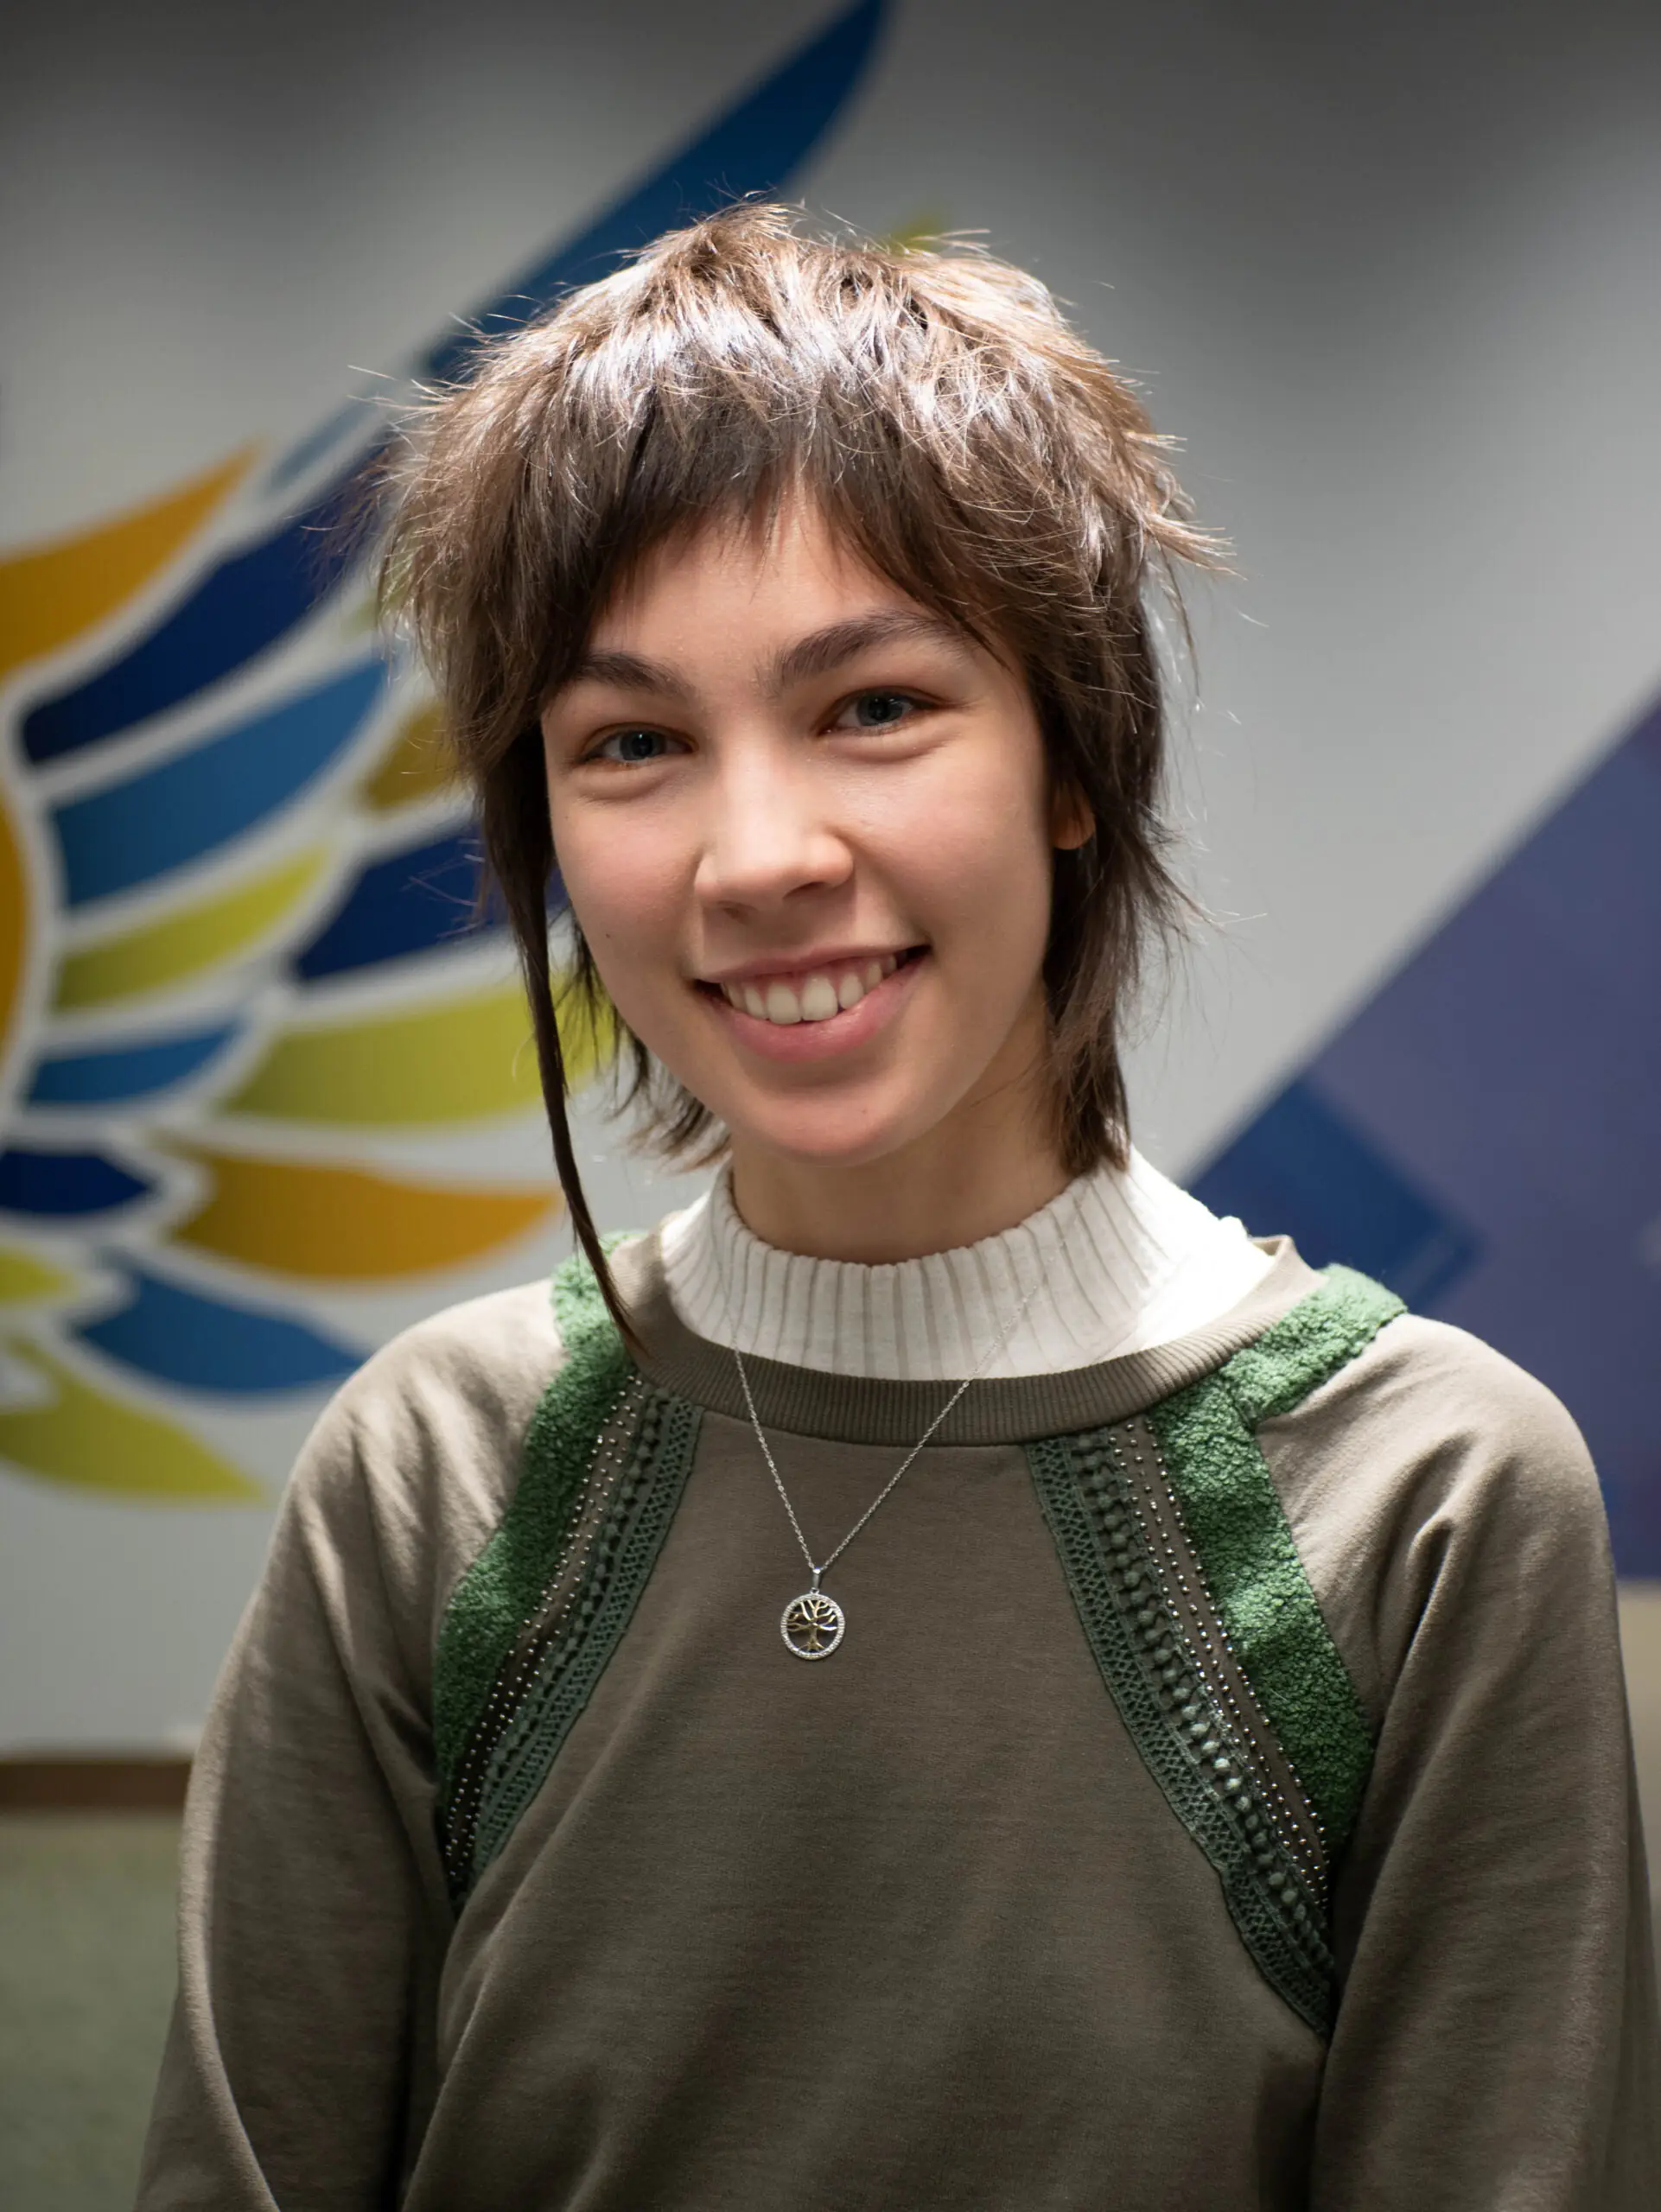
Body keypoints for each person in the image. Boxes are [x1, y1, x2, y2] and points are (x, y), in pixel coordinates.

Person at [136, 206, 1658, 2210]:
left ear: (1071, 759)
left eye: (872, 705)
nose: (756, 855)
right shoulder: (435, 1471)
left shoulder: (1428, 1497)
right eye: (632, 742)